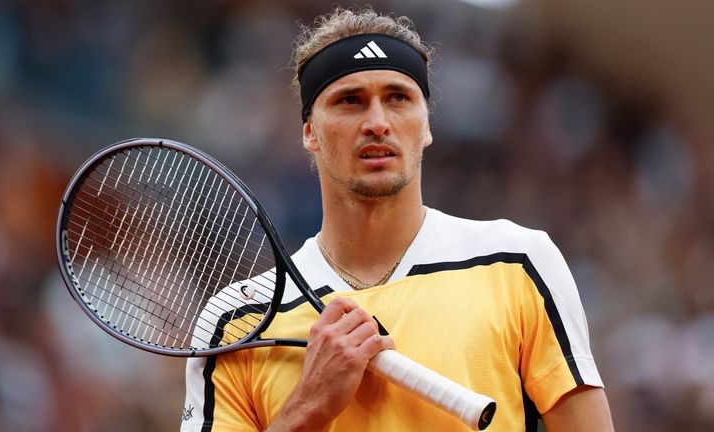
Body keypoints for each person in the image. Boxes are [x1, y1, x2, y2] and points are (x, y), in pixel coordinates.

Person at [181, 6, 614, 432]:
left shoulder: (518, 263)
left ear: (425, 125)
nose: (377, 122)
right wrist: (306, 409)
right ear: (310, 132)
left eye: (398, 98)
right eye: (349, 101)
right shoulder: (236, 321)